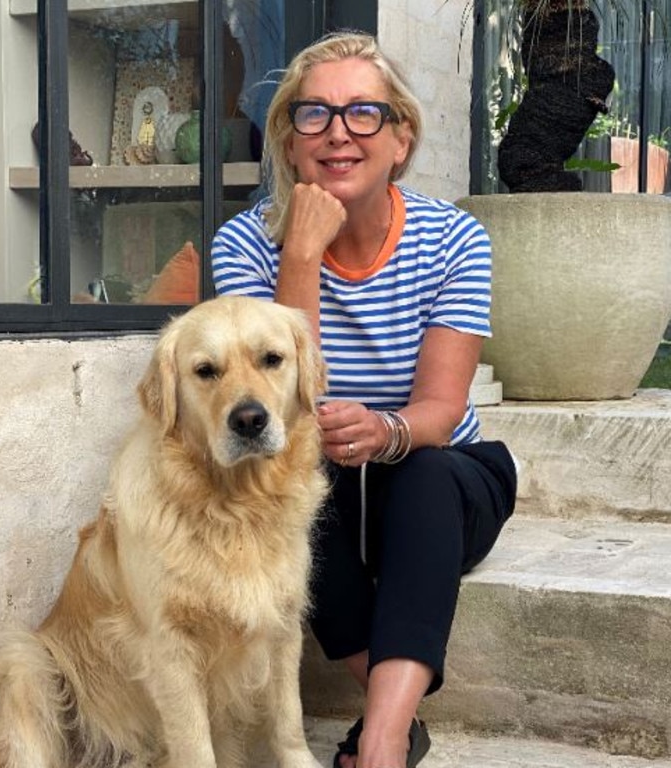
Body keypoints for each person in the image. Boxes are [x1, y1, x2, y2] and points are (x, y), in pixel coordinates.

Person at [211, 31, 517, 768]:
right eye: (312, 115)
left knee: (426, 474)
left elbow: (441, 410)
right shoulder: (244, 245)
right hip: (321, 478)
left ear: (400, 138)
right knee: (283, 502)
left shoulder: (454, 240)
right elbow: (277, 407)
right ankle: (398, 720)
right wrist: (302, 253)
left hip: (441, 475)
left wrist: (385, 431)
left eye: (363, 114)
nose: (338, 133)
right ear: (289, 143)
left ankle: (377, 743)